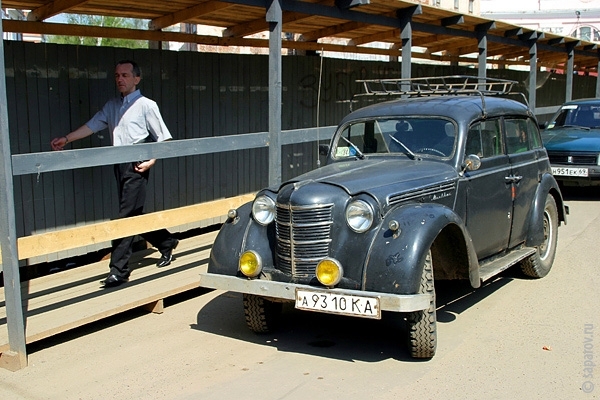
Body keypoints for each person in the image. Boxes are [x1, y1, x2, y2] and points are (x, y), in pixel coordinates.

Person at [50, 60, 179, 288]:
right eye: (117, 75)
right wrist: (67, 139)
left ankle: (118, 271)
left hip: (137, 164)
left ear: (137, 79)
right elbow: (91, 126)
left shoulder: (146, 105)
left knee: (125, 217)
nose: (120, 79)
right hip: (118, 164)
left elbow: (164, 138)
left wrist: (152, 161)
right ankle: (166, 241)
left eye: (125, 75)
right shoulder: (111, 105)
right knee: (133, 214)